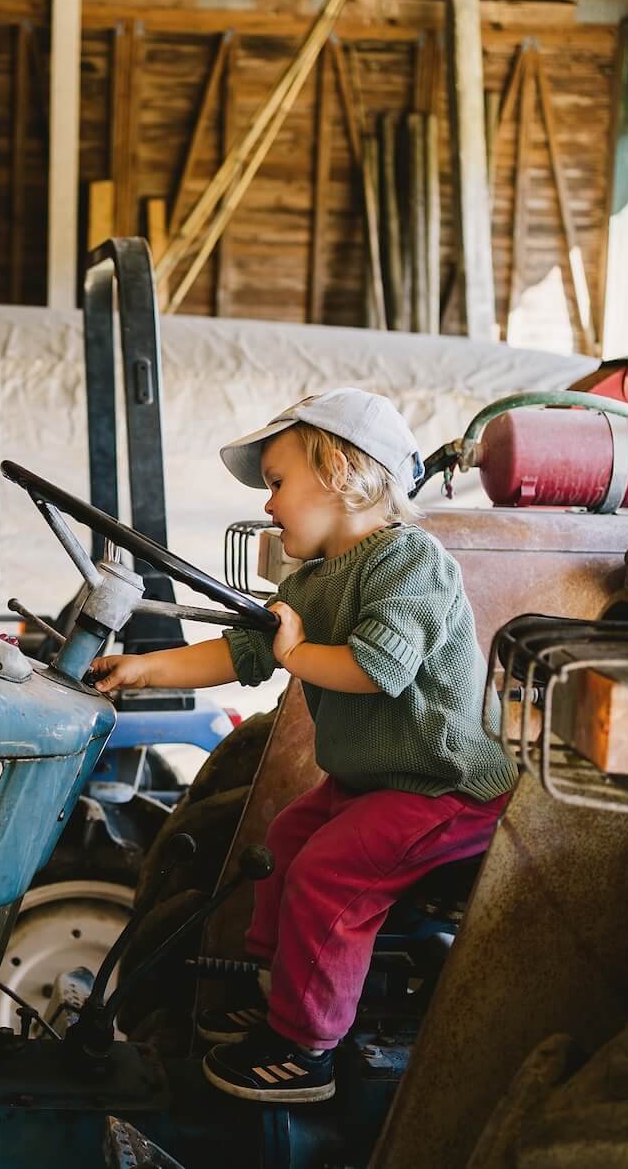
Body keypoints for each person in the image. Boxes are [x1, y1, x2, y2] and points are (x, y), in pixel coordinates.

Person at [89, 388, 514, 1104]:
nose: (267, 504)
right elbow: (239, 653)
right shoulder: (313, 580)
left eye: (277, 483)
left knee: (329, 875)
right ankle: (273, 991)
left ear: (344, 475)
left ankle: (307, 1047)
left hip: (445, 786)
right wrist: (142, 669)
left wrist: (294, 649)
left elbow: (378, 670)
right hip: (376, 780)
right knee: (285, 838)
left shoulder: (410, 561)